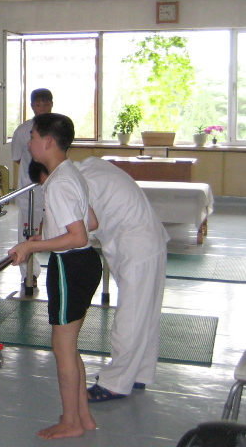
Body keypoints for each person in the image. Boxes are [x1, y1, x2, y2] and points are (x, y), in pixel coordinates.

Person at [7, 113, 102, 439]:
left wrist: (32, 246)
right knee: (70, 346)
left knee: (62, 348)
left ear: (48, 142)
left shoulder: (58, 183)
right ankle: (83, 416)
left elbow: (77, 236)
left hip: (70, 267)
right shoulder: (71, 173)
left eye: (32, 137)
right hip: (87, 264)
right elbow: (90, 222)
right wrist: (43, 238)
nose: (29, 143)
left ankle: (71, 422)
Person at [75, 157, 169, 402]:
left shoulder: (83, 182)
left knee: (130, 317)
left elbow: (80, 229)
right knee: (144, 315)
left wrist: (40, 241)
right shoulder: (91, 165)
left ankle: (115, 383)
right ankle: (138, 372)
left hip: (138, 248)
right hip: (143, 242)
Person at [11, 88, 53, 289]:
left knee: (56, 227)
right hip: (30, 188)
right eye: (39, 104)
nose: (43, 108)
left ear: (52, 104)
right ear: (32, 106)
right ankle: (29, 272)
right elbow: (17, 158)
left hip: (54, 187)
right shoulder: (22, 130)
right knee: (29, 229)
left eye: (46, 104)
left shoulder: (58, 127)